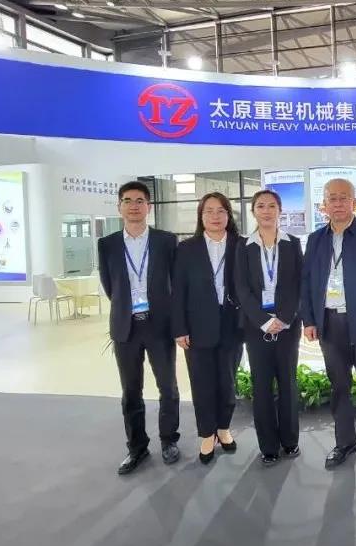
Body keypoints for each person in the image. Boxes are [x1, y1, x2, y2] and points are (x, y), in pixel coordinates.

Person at [300, 178, 356, 470]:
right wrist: (309, 319)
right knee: (338, 386)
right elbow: (307, 283)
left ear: (355, 203)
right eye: (332, 198)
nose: (338, 203)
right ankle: (344, 443)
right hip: (329, 323)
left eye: (344, 198)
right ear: (324, 205)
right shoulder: (316, 239)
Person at [97, 181, 180, 475]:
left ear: (149, 207)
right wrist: (127, 308)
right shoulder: (107, 244)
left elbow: (175, 283)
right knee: (131, 391)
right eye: (128, 200)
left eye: (140, 201)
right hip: (126, 327)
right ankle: (137, 447)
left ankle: (169, 440)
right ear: (119, 207)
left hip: (160, 325)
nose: (134, 206)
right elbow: (110, 286)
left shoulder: (166, 241)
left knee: (168, 387)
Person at [171, 192, 243, 465]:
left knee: (227, 379)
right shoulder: (187, 248)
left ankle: (223, 428)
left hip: (232, 323)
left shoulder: (241, 245)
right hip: (197, 325)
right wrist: (180, 328)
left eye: (220, 211)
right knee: (201, 381)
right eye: (209, 211)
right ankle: (206, 434)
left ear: (228, 215)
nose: (215, 216)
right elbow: (178, 291)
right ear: (201, 216)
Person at [235, 189, 304, 466]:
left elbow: (299, 284)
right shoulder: (242, 246)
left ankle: (290, 441)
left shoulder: (292, 243)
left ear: (280, 210)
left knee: (288, 383)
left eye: (272, 206)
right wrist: (264, 321)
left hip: (288, 326)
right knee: (261, 386)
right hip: (256, 327)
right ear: (253, 211)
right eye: (261, 206)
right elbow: (241, 288)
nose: (266, 211)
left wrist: (284, 319)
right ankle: (268, 446)